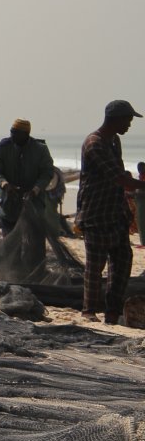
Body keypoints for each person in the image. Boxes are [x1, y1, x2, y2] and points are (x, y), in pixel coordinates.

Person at [77, 101, 144, 324]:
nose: (129, 125)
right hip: (96, 214)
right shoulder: (94, 143)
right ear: (115, 119)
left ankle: (112, 312)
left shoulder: (114, 141)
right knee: (95, 266)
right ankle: (89, 310)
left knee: (122, 262)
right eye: (128, 120)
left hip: (115, 213)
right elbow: (119, 178)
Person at [0, 119, 56, 268]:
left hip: (33, 205)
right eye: (11, 132)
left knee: (35, 246)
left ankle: (36, 273)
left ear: (26, 134)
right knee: (10, 246)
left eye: (17, 133)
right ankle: (13, 273)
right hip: (9, 205)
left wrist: (35, 190)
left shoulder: (40, 149)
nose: (12, 136)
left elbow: (47, 173)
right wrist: (5, 185)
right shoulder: (2, 147)